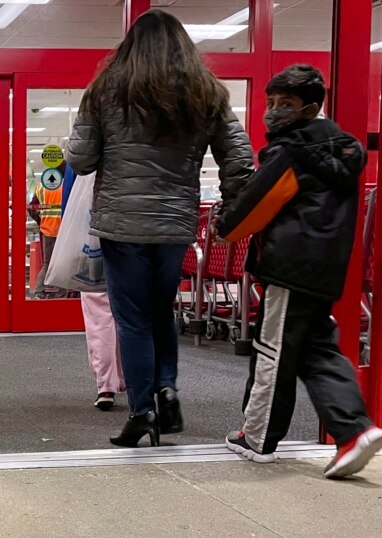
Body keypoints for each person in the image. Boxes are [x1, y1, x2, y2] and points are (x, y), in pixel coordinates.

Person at [67, 10, 254, 447]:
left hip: (122, 224)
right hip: (174, 224)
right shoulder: (206, 92)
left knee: (131, 319)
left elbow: (80, 159)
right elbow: (240, 158)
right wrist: (231, 214)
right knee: (161, 310)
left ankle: (143, 411)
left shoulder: (107, 90)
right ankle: (167, 387)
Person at [215, 65, 382, 479]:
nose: (274, 112)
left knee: (272, 350)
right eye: (271, 103)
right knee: (318, 348)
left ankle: (257, 438)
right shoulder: (345, 151)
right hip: (327, 268)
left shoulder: (291, 151)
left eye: (286, 105)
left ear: (310, 108)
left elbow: (252, 208)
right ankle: (355, 432)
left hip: (288, 265)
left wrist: (224, 229)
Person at [29, 160, 66, 298]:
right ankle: (61, 292)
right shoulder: (66, 185)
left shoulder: (41, 187)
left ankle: (39, 291)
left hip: (47, 230)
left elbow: (32, 208)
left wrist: (41, 219)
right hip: (63, 230)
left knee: (47, 263)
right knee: (62, 263)